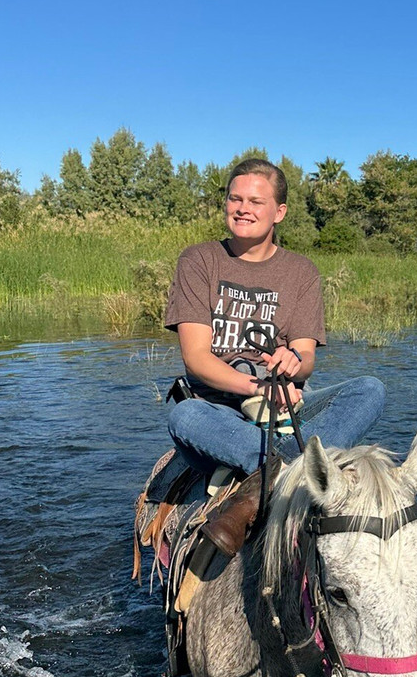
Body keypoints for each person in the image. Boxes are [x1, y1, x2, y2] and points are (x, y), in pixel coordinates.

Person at [163, 158, 385, 480]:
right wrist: (259, 388)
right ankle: (299, 465)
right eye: (235, 199)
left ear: (279, 212)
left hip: (287, 409)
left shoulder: (301, 271)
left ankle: (279, 464)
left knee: (370, 390)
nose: (243, 209)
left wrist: (293, 361)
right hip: (218, 413)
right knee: (185, 416)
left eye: (255, 202)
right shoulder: (199, 260)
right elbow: (196, 359)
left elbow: (305, 358)